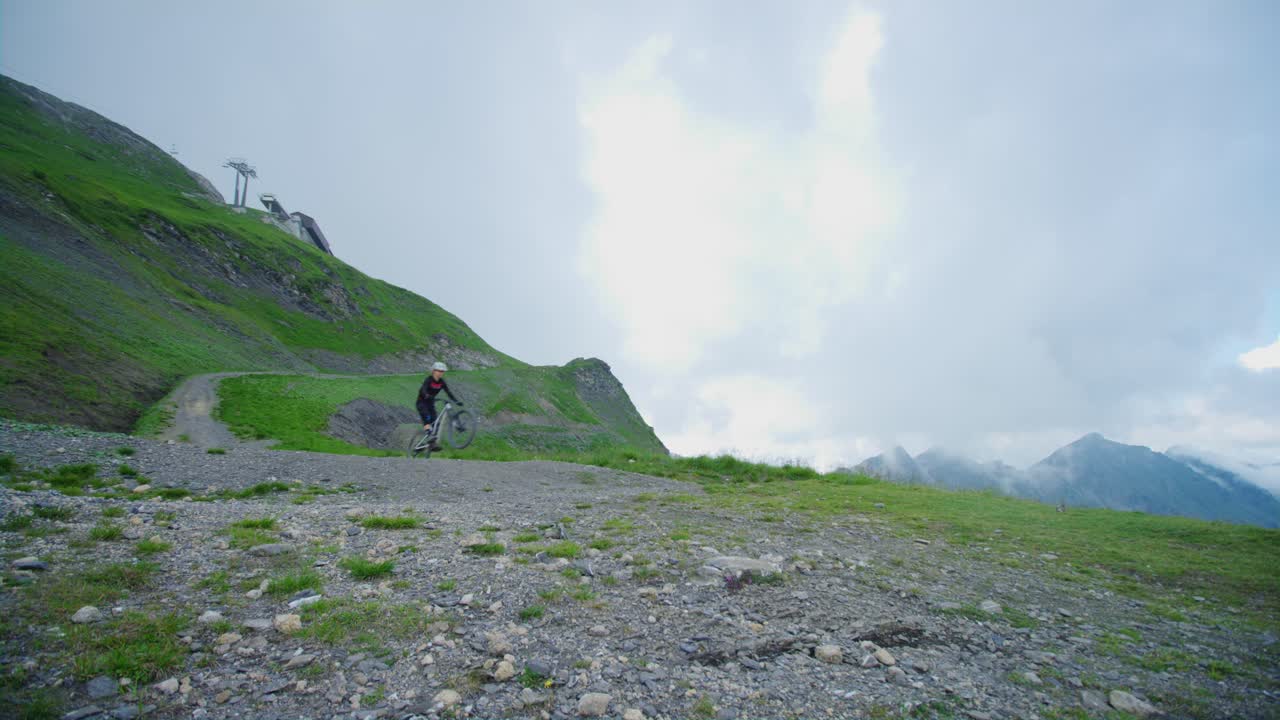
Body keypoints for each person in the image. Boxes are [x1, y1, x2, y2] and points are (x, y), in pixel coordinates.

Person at [417, 361, 462, 450]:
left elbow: (448, 392)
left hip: (431, 403)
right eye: (439, 371)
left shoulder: (441, 382)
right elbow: (423, 390)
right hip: (422, 402)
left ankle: (432, 443)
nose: (441, 373)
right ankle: (429, 436)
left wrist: (456, 401)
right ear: (433, 371)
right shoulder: (429, 380)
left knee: (436, 422)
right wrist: (426, 395)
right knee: (427, 418)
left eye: (443, 371)